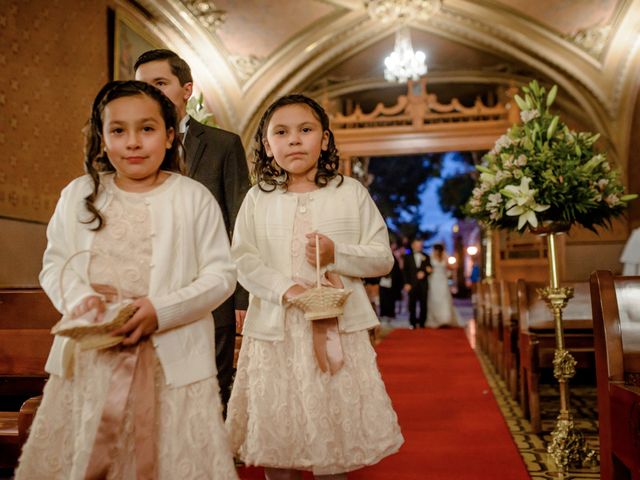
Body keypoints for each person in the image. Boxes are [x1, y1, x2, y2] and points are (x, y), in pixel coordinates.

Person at [15, 81, 238, 479]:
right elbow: (56, 264)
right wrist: (80, 299)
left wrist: (162, 310)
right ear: (102, 138)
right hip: (92, 356)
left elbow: (221, 275)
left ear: (170, 136)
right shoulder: (80, 193)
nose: (133, 142)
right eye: (118, 130)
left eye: (147, 129)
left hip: (173, 363)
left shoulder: (192, 197)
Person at [226, 94, 403, 479]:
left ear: (323, 139)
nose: (294, 140)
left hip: (336, 330)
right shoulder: (258, 198)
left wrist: (336, 253)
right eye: (281, 133)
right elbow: (241, 258)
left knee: (333, 439)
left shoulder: (350, 192)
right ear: (268, 145)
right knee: (278, 439)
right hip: (275, 335)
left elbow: (381, 257)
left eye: (305, 130)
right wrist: (286, 289)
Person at [134, 49, 250, 413]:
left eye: (160, 84)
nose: (150, 93)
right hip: (149, 291)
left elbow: (238, 224)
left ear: (186, 89)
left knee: (210, 395)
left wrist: (242, 299)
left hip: (211, 292)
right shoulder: (131, 149)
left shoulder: (222, 144)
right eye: (142, 87)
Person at [426, 243, 462, 328]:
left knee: (445, 298)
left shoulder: (445, 257)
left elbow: (452, 266)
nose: (435, 252)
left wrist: (454, 263)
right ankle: (436, 319)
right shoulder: (430, 257)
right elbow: (428, 268)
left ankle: (445, 319)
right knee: (434, 298)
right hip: (434, 280)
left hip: (443, 280)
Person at [402, 237, 431, 328]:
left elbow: (429, 269)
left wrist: (425, 273)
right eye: (417, 245)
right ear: (413, 246)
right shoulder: (407, 257)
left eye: (420, 245)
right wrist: (406, 283)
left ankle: (422, 323)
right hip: (412, 284)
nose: (419, 247)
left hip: (423, 284)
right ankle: (413, 322)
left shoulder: (426, 256)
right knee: (412, 304)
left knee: (423, 303)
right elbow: (405, 271)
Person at [378, 241, 403, 322]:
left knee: (391, 298)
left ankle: (390, 314)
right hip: (382, 281)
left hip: (391, 282)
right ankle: (383, 314)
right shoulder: (382, 256)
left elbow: (397, 271)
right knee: (383, 298)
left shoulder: (394, 257)